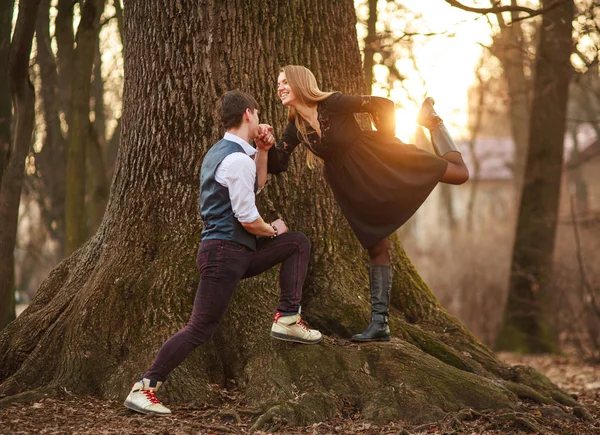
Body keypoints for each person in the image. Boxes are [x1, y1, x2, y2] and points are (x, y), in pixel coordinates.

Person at [124, 90, 322, 416]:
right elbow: (246, 216)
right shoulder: (235, 160)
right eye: (257, 116)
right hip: (224, 253)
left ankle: (288, 316)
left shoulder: (225, 155)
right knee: (200, 328)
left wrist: (263, 150)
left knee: (297, 243)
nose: (259, 121)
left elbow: (254, 186)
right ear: (248, 114)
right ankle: (145, 386)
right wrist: (272, 229)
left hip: (234, 253)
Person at [266, 65, 469, 343]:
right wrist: (265, 146)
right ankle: (380, 324)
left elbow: (383, 104)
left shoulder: (332, 103)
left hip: (377, 156)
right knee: (376, 243)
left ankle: (432, 122)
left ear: (300, 83)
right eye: (278, 84)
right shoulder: (296, 127)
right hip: (349, 183)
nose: (279, 88)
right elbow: (279, 164)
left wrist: (387, 140)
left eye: (284, 82)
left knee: (459, 174)